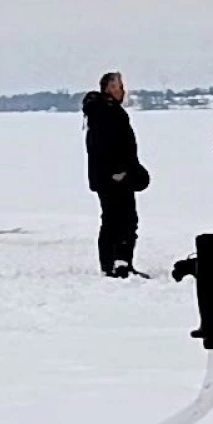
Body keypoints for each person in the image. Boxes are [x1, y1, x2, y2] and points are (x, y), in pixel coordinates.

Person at [83, 72, 150, 278]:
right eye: (118, 86)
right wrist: (118, 170)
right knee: (120, 221)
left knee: (119, 220)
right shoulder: (106, 112)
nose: (123, 90)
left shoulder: (107, 112)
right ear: (109, 88)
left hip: (112, 175)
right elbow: (106, 145)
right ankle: (116, 264)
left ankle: (118, 263)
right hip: (114, 177)